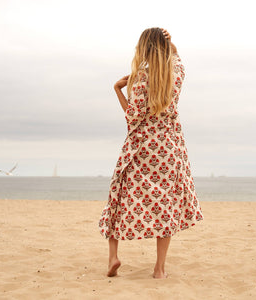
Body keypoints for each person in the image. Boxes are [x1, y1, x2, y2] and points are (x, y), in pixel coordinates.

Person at [99, 27, 204, 279]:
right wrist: (172, 42)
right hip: (169, 148)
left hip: (141, 148)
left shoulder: (139, 80)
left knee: (119, 194)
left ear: (143, 49)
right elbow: (178, 59)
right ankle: (159, 269)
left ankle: (113, 257)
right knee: (165, 203)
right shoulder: (174, 75)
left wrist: (118, 89)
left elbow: (132, 117)